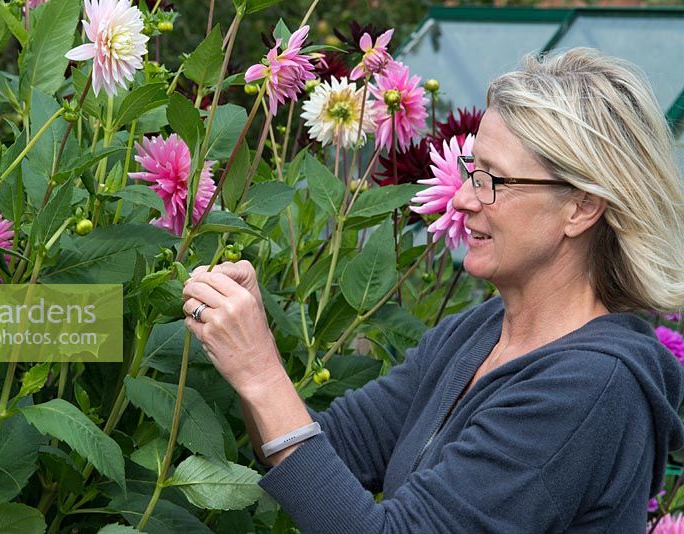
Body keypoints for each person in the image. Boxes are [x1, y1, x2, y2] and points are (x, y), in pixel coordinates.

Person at [181, 47, 684, 532]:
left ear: (581, 208)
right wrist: (250, 350)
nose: (463, 198)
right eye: (471, 169)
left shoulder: (586, 390)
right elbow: (332, 447)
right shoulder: (480, 333)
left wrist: (261, 371)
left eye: (494, 180)